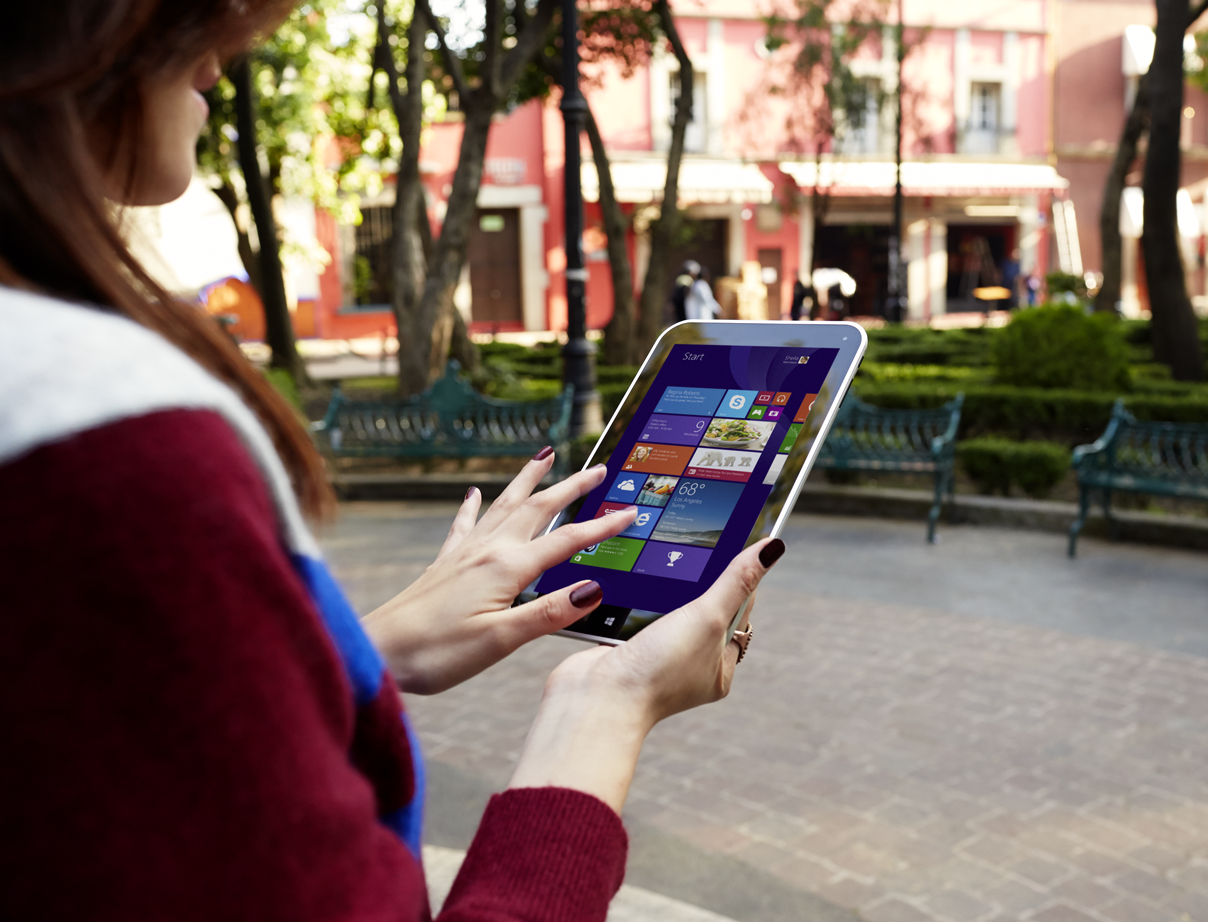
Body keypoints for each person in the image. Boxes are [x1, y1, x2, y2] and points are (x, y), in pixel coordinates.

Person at [0, 3, 784, 919]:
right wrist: (606, 701)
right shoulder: (95, 443)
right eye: (181, 15)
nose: (217, 60)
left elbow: (109, 758)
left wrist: (367, 648)